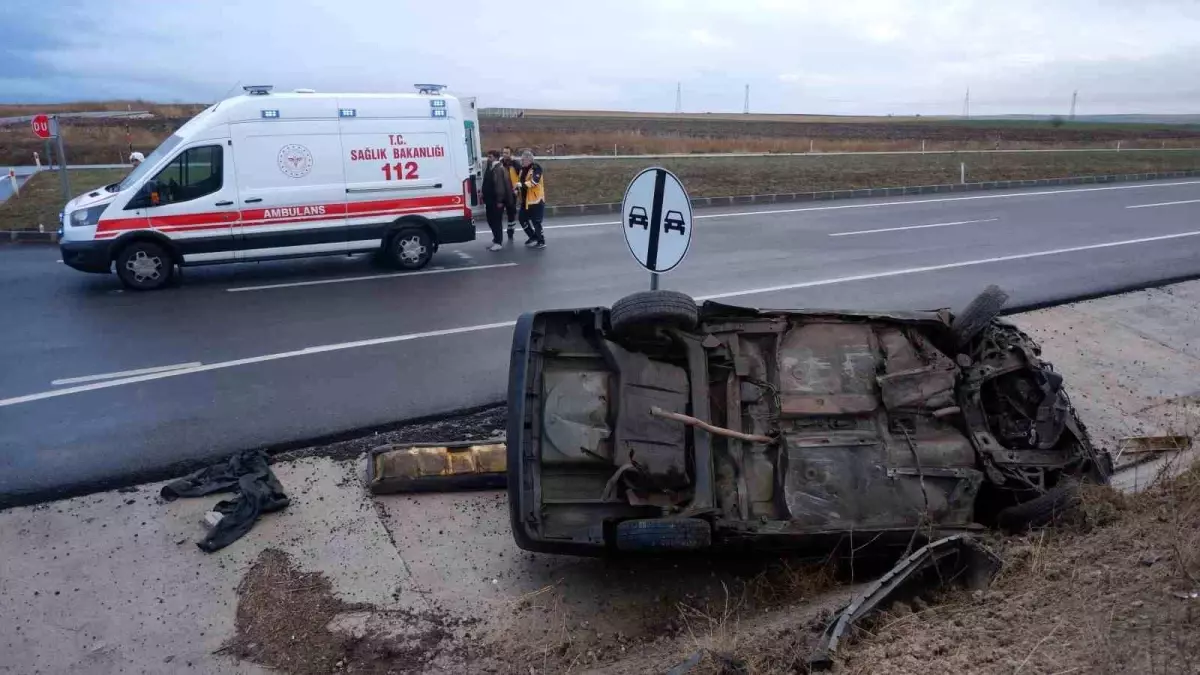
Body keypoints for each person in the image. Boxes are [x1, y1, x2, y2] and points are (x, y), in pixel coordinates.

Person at [480, 150, 512, 251]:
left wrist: (499, 200)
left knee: (496, 221)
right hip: (489, 200)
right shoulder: (490, 167)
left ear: (495, 158)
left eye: (490, 157)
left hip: (496, 201)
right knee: (490, 220)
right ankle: (496, 239)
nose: (488, 159)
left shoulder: (498, 169)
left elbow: (500, 186)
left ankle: (498, 242)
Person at [516, 150, 546, 249]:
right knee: (521, 219)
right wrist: (517, 189)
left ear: (529, 159)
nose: (521, 161)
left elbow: (534, 182)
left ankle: (541, 240)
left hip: (536, 200)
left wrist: (523, 184)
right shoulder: (522, 170)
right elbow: (520, 181)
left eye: (523, 159)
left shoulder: (536, 168)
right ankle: (532, 236)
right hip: (526, 201)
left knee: (536, 221)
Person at [500, 147, 523, 240]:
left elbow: (521, 177)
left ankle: (510, 231)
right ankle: (498, 234)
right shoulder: (500, 163)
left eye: (507, 153)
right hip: (501, 192)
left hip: (512, 192)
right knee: (499, 213)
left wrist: (517, 188)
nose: (505, 154)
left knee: (511, 213)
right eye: (504, 152)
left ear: (511, 154)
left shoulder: (515, 164)